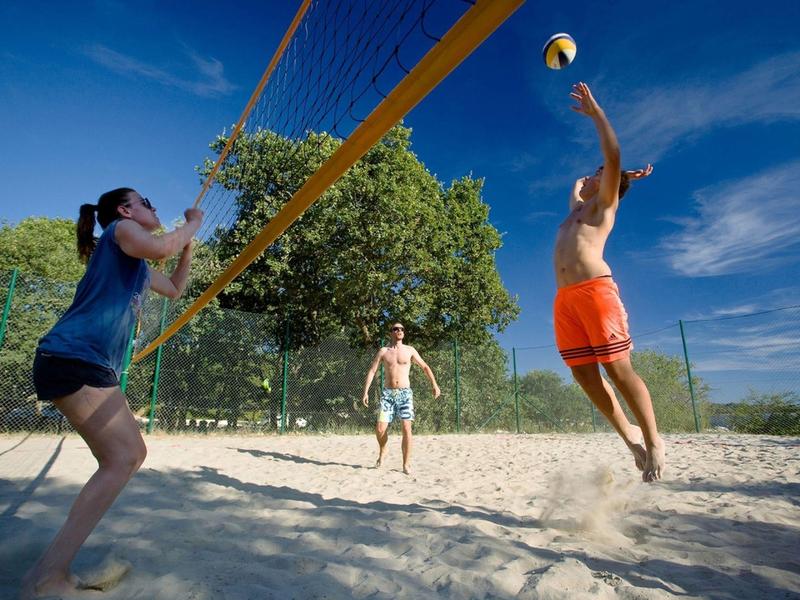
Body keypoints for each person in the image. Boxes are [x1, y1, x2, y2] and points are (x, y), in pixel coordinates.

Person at [21, 188, 203, 599]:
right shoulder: (120, 230)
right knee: (123, 458)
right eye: (146, 202)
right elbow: (161, 248)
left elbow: (173, 287)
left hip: (88, 363)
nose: (153, 208)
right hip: (72, 357)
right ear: (124, 211)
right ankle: (47, 576)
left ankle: (53, 571)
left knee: (129, 456)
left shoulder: (134, 266)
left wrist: (187, 247)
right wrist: (192, 222)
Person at [553, 82, 665, 482]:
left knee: (618, 369)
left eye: (603, 173)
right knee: (583, 375)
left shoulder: (605, 206)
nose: (594, 173)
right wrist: (587, 181)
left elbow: (612, 155)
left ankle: (653, 441)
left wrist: (596, 113)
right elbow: (579, 186)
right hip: (565, 299)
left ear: (613, 185)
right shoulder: (578, 211)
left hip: (596, 291)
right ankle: (631, 442)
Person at [362, 323, 441, 474]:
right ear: (391, 332)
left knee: (406, 428)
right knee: (380, 429)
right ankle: (383, 449)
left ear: (404, 333)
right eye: (396, 329)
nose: (399, 331)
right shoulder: (384, 351)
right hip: (388, 395)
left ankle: (406, 464)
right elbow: (372, 371)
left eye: (402, 329)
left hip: (405, 394)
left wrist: (434, 385)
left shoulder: (410, 350)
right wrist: (365, 391)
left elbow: (425, 366)